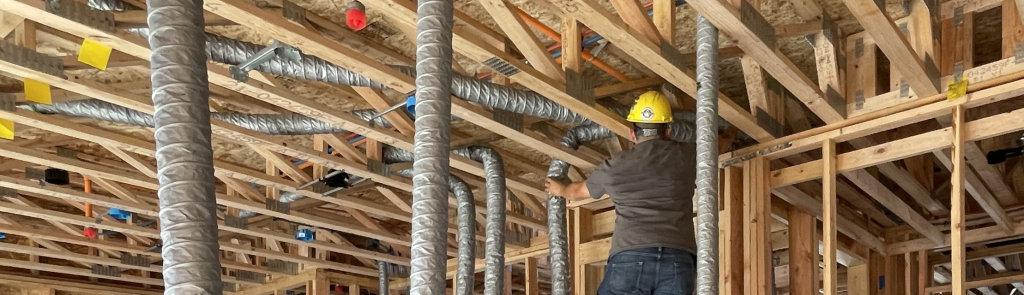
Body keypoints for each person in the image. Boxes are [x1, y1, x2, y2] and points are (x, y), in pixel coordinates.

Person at [544, 91, 696, 295]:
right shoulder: (687, 156)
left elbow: (578, 191)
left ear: (633, 133)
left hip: (630, 258)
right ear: (667, 131)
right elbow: (716, 145)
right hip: (678, 259)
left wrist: (560, 189)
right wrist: (729, 133)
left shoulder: (614, 167)